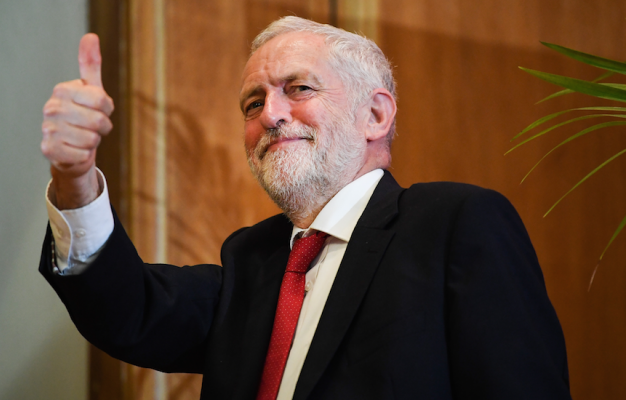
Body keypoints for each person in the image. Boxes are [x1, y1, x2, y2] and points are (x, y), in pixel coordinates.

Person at [39, 16, 572, 400]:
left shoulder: (455, 224)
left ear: (375, 114)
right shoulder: (253, 260)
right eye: (253, 103)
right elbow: (132, 311)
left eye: (298, 88)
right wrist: (75, 178)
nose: (270, 115)